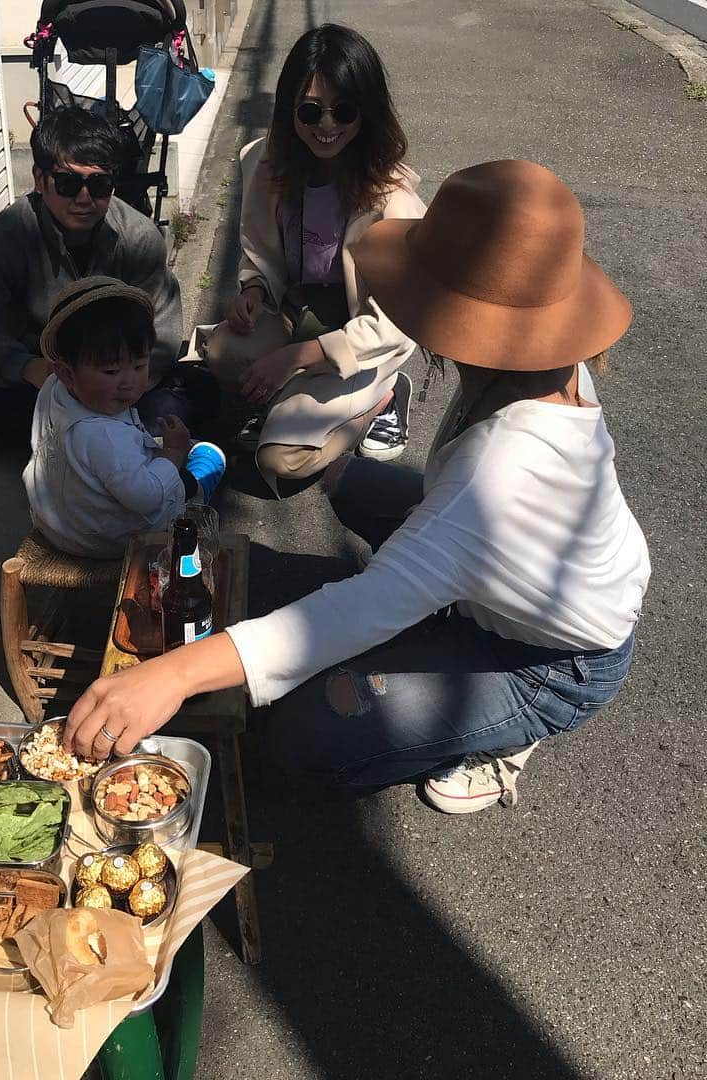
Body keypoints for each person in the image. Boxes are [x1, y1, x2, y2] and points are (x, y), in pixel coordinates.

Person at [63, 160, 651, 815]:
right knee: (346, 483)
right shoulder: (548, 363)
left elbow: (350, 614)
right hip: (527, 574)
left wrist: (169, 676)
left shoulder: (501, 474)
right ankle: (436, 635)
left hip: (548, 663)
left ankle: (511, 729)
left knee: (307, 735)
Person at [204, 24, 426, 490]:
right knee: (223, 352)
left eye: (344, 110)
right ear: (289, 111)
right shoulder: (267, 163)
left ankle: (384, 395)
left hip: (361, 333)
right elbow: (261, 251)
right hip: (299, 310)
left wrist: (296, 358)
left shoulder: (394, 201)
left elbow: (395, 321)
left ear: (367, 111)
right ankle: (303, 395)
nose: (327, 126)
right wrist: (253, 288)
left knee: (282, 461)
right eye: (310, 111)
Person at [0, 106, 216, 448]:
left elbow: (163, 333)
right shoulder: (5, 237)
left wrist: (119, 386)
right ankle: (109, 443)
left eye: (99, 184)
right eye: (68, 183)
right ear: (40, 179)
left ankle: (73, 441)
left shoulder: (139, 237)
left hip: (121, 383)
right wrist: (25, 366)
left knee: (195, 393)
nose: (84, 198)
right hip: (48, 381)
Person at [24, 278, 226, 559]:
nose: (129, 382)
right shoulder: (105, 437)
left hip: (57, 524)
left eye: (139, 365)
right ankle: (197, 490)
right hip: (113, 541)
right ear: (68, 373)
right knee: (199, 465)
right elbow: (145, 498)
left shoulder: (53, 388)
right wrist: (173, 454)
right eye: (110, 371)